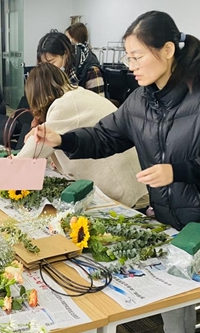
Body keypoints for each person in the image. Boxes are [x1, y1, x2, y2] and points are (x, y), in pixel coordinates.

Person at [33, 11, 200, 333]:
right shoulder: (141, 100)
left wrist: (179, 171)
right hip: (176, 221)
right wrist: (64, 139)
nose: (130, 65)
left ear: (168, 50)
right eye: (128, 57)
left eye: (137, 56)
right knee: (175, 301)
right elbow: (106, 136)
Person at [18, 63, 147, 208]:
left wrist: (7, 172)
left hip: (123, 189)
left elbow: (32, 152)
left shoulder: (64, 105)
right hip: (135, 180)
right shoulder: (77, 94)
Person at [37, 30, 104, 95]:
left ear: (65, 54)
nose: (48, 68)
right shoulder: (53, 73)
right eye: (44, 64)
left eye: (52, 62)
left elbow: (98, 102)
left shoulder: (92, 71)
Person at [65, 22, 105, 95]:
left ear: (73, 40)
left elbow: (99, 98)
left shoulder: (92, 69)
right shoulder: (71, 66)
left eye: (67, 39)